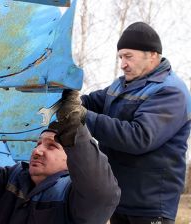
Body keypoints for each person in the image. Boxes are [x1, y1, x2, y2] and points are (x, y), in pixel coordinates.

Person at [0, 81, 121, 224]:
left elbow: (101, 194)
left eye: (52, 146)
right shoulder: (13, 180)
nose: (38, 150)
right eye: (38, 143)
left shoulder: (72, 196)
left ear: (72, 159)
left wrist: (75, 129)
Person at [79, 22, 191, 223]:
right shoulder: (122, 85)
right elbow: (91, 102)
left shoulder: (170, 91)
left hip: (149, 205)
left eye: (128, 56)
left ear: (153, 55)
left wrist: (80, 115)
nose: (122, 63)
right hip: (119, 197)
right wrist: (66, 100)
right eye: (120, 57)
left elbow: (139, 137)